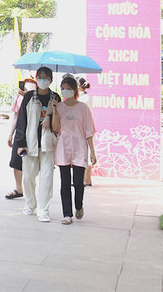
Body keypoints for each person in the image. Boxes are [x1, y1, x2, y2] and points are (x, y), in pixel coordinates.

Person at [14, 66, 61, 222]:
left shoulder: (56, 97)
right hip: (30, 142)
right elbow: (22, 120)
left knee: (47, 178)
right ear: (36, 78)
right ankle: (30, 203)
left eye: (46, 78)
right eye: (40, 77)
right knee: (28, 176)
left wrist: (51, 114)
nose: (43, 80)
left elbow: (58, 122)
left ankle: (43, 209)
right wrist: (20, 142)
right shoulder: (29, 97)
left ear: (51, 80)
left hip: (48, 143)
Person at [52, 76, 96, 225]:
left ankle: (78, 205)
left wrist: (92, 152)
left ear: (74, 90)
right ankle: (67, 214)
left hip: (79, 148)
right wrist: (53, 109)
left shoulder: (83, 108)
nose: (65, 91)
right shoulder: (59, 107)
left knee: (78, 182)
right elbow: (55, 128)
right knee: (65, 182)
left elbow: (89, 131)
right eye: (63, 88)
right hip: (63, 147)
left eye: (68, 89)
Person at [5, 79, 32, 200]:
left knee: (31, 162)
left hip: (32, 133)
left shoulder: (36, 98)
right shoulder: (19, 98)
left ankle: (30, 189)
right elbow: (15, 116)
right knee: (16, 160)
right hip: (20, 132)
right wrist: (11, 133)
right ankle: (18, 188)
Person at [77, 77, 95, 187]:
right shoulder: (84, 98)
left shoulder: (83, 99)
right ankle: (87, 180)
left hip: (84, 129)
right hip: (85, 128)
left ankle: (85, 180)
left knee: (86, 154)